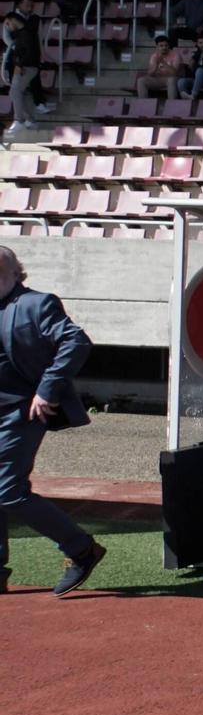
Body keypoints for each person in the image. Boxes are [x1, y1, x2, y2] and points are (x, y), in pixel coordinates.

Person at [0, 249, 104, 596]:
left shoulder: (36, 304)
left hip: (22, 411)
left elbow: (76, 340)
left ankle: (81, 549)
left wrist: (47, 389)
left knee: (8, 491)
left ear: (16, 274)